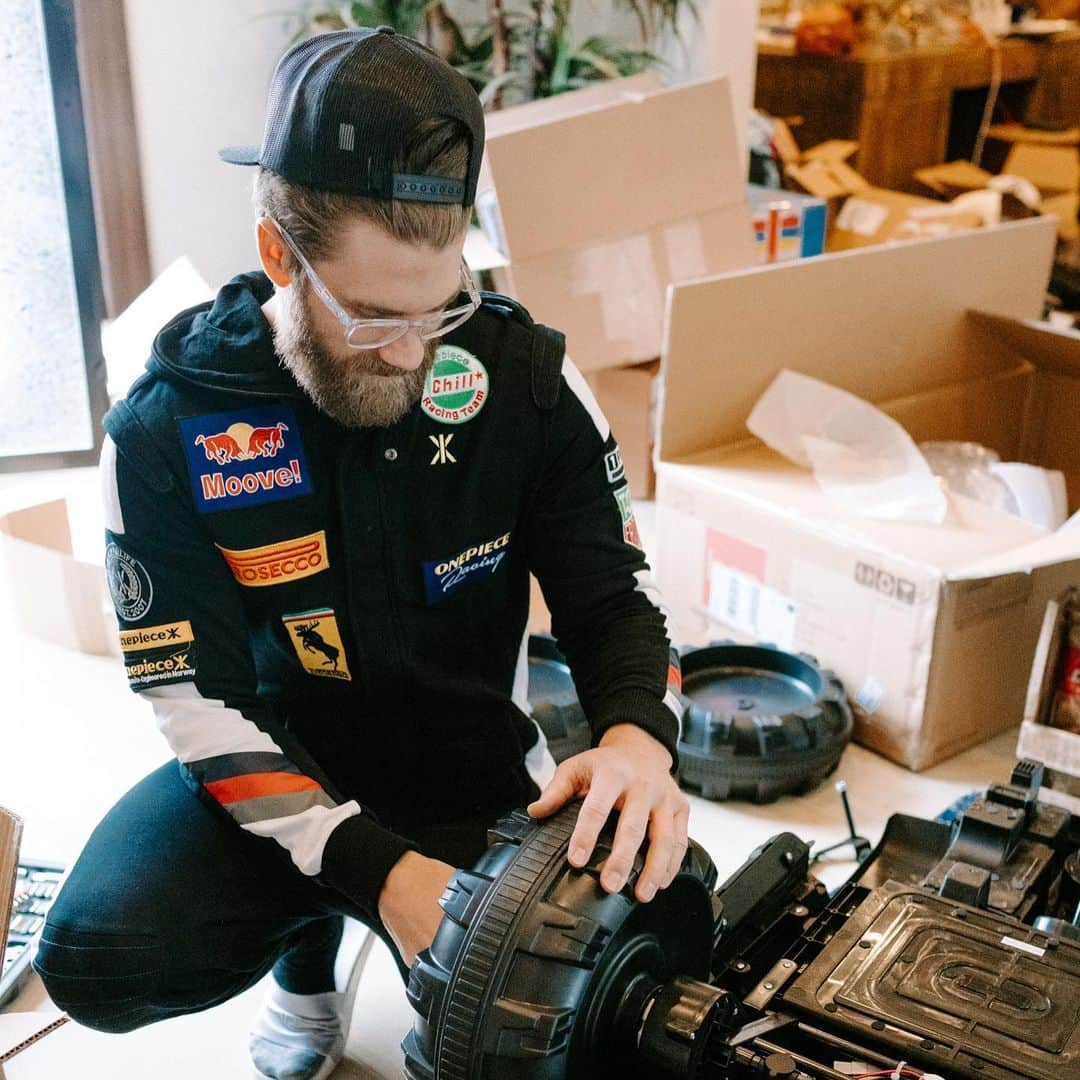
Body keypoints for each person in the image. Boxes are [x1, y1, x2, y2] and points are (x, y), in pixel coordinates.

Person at [34, 26, 688, 1080]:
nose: (416, 352)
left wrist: (636, 741)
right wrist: (372, 871)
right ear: (278, 255)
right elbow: (188, 694)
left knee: (584, 995)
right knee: (98, 960)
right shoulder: (168, 428)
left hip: (473, 773)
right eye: (376, 315)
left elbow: (618, 601)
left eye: (443, 307)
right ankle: (309, 954)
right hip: (275, 762)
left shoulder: (522, 382)